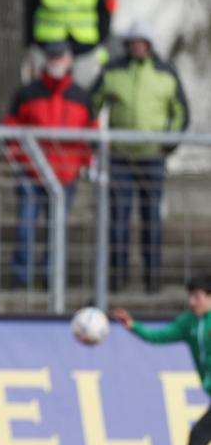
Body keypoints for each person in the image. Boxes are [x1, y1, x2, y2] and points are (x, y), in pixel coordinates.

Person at [92, 21, 189, 294]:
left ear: (149, 45)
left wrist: (168, 146)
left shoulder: (166, 73)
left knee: (151, 219)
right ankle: (117, 275)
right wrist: (99, 142)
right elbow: (93, 104)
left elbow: (181, 113)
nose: (137, 46)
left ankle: (152, 276)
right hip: (120, 158)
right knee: (119, 219)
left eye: (142, 42)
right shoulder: (113, 71)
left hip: (152, 158)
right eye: (133, 42)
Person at [4, 41, 96, 289]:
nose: (56, 62)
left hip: (66, 174)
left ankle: (52, 280)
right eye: (52, 57)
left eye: (60, 57)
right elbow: (11, 129)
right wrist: (19, 158)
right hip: (32, 172)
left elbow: (91, 134)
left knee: (57, 230)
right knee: (26, 227)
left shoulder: (82, 96)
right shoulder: (26, 93)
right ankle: (21, 279)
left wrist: (84, 164)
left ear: (69, 60)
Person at [111, 275, 211, 445]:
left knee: (200, 434)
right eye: (190, 296)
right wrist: (133, 326)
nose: (192, 302)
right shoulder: (188, 323)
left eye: (197, 297)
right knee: (199, 435)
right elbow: (159, 336)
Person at [25, 0, 111, 87]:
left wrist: (100, 41)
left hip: (85, 50)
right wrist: (31, 44)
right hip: (50, 51)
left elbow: (103, 12)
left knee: (84, 91)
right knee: (47, 91)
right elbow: (30, 9)